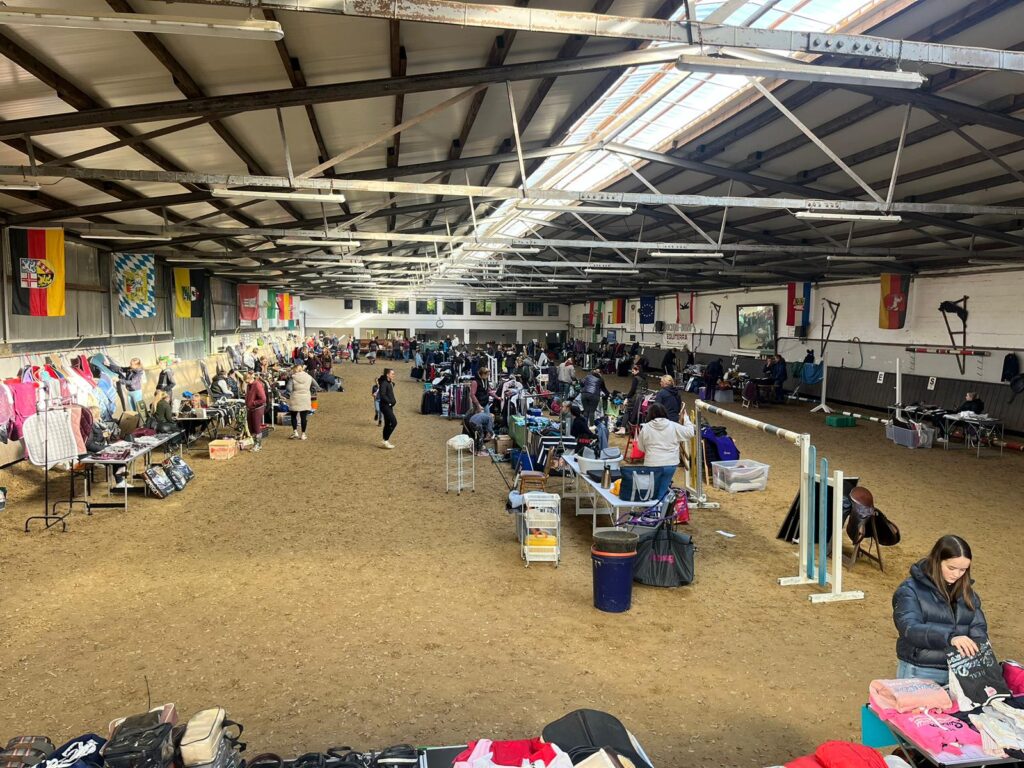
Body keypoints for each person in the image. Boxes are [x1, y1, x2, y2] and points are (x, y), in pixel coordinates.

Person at [892, 535, 988, 685]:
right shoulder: (909, 590)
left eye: (963, 570)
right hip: (920, 670)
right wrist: (950, 638)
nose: (957, 574)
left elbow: (978, 627)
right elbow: (910, 628)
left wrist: (980, 648)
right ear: (937, 561)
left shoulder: (968, 594)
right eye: (951, 568)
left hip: (960, 672)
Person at [636, 403, 695, 500]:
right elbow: (690, 432)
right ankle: (661, 506)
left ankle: (653, 506)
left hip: (652, 462)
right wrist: (686, 419)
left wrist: (650, 451)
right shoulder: (673, 425)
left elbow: (640, 447)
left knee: (651, 490)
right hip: (670, 463)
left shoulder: (646, 428)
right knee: (663, 489)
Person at [287, 363, 318, 441]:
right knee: (303, 417)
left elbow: (289, 388)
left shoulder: (292, 378)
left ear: (295, 370)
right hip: (305, 398)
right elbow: (316, 385)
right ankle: (303, 434)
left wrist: (293, 391)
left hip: (295, 398)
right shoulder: (309, 377)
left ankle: (295, 432)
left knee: (293, 416)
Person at [616, 364, 645, 436]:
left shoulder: (636, 378)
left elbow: (632, 390)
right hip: (642, 398)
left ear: (637, 371)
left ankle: (622, 428)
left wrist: (627, 398)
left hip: (635, 398)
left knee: (627, 410)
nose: (632, 372)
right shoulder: (644, 379)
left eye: (633, 371)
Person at [244, 372, 267, 451]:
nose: (245, 382)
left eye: (246, 380)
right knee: (251, 427)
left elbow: (263, 399)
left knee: (256, 427)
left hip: (257, 409)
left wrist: (253, 403)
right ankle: (255, 444)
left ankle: (258, 445)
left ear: (249, 378)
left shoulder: (257, 385)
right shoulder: (249, 385)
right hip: (251, 409)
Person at [378, 368, 398, 449]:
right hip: (385, 406)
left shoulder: (389, 383)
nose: (393, 375)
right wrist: (389, 402)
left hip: (389, 406)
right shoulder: (384, 383)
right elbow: (382, 394)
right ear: (387, 374)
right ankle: (386, 440)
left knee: (387, 423)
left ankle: (384, 440)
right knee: (394, 422)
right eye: (392, 374)